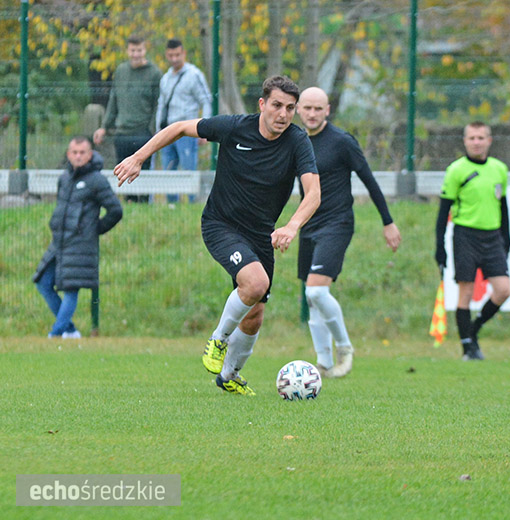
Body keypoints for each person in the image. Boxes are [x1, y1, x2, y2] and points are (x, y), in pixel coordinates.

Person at [114, 75, 320, 395]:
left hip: (260, 234)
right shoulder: (235, 127)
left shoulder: (297, 140)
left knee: (255, 315)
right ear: (262, 104)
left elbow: (314, 194)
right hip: (221, 224)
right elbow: (180, 127)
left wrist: (292, 225)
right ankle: (218, 341)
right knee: (255, 283)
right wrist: (139, 157)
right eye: (277, 105)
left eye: (290, 108)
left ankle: (229, 376)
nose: (283, 114)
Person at [296, 87, 401, 378]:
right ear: (299, 110)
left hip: (337, 223)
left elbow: (369, 180)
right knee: (312, 295)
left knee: (317, 289)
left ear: (327, 110)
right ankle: (325, 363)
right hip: (308, 224)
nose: (313, 114)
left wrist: (388, 221)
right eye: (308, 108)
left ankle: (344, 347)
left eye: (319, 108)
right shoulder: (295, 141)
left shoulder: (342, 141)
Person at [434, 122, 510, 361]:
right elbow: (443, 210)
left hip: (492, 236)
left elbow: (503, 206)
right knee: (465, 292)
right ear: (465, 141)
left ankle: (474, 330)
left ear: (489, 140)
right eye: (472, 138)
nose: (476, 142)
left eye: (481, 137)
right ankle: (468, 347)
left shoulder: (499, 169)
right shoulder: (456, 170)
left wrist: (507, 238)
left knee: (503, 290)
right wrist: (440, 247)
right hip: (466, 236)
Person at [33, 137, 123, 338]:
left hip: (81, 244)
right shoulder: (64, 178)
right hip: (60, 242)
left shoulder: (97, 180)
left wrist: (94, 229)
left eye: (82, 152)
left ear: (90, 155)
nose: (78, 156)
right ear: (68, 154)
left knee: (71, 289)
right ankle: (71, 330)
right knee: (43, 283)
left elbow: (115, 210)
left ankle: (55, 335)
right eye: (74, 152)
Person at [93, 35, 161, 202]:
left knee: (143, 173)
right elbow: (113, 101)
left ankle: (143, 204)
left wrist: (152, 129)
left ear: (145, 50)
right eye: (133, 50)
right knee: (124, 171)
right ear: (128, 51)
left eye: (139, 50)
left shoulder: (155, 73)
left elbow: (158, 104)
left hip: (143, 133)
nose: (136, 54)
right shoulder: (121, 71)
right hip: (122, 132)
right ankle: (129, 203)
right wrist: (105, 126)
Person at [156, 38, 212, 203]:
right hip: (168, 130)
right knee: (169, 169)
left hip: (187, 130)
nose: (174, 59)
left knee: (189, 170)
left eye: (177, 55)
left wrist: (205, 129)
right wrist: (158, 129)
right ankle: (172, 205)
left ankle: (193, 203)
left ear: (184, 53)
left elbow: (206, 100)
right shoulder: (166, 78)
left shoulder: (194, 75)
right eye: (171, 55)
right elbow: (161, 105)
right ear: (167, 55)